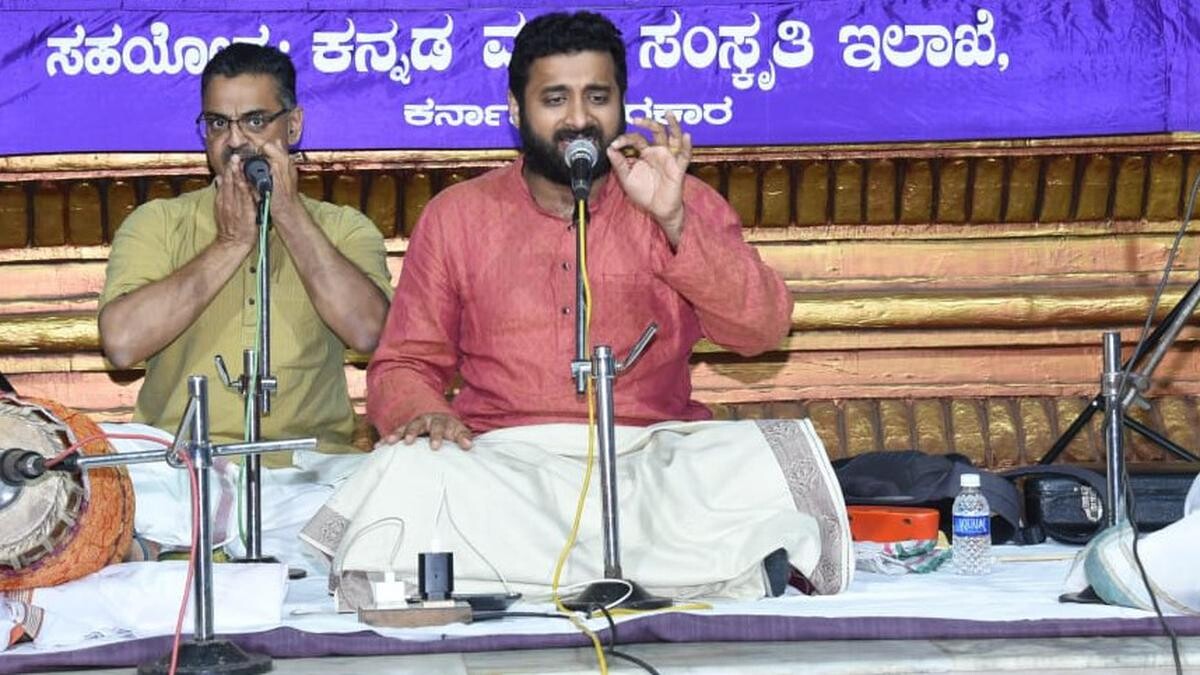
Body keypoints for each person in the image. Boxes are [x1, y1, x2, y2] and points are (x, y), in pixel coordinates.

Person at [303, 12, 851, 601]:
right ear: (515, 110)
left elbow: (761, 328)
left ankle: (520, 578)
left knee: (752, 453)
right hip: (505, 470)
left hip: (649, 462)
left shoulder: (676, 198)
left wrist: (673, 221)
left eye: (597, 97)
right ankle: (704, 572)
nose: (579, 118)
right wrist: (425, 414)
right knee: (411, 467)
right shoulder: (457, 216)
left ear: (621, 104)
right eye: (555, 99)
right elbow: (405, 363)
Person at [98, 43, 392, 555]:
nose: (235, 141)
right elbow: (121, 345)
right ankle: (167, 546)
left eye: (255, 121)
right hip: (181, 473)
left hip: (306, 475)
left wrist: (290, 215)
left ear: (293, 126)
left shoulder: (344, 228)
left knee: (393, 485)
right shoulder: (157, 223)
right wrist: (230, 243)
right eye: (218, 124)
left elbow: (370, 333)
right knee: (95, 483)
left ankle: (179, 551)